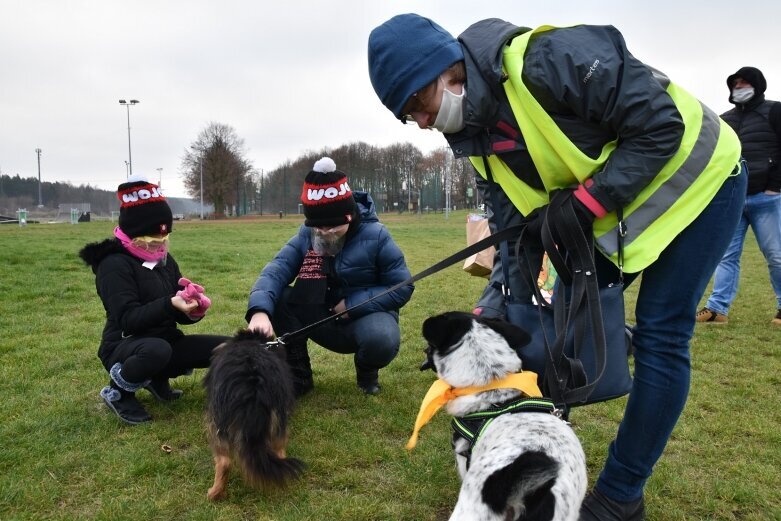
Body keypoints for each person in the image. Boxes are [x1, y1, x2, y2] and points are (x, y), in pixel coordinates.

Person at [368, 15, 746, 520]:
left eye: (418, 105)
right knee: (539, 313)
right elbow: (515, 238)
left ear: (446, 72)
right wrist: (498, 303)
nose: (419, 122)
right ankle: (535, 453)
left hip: (702, 183)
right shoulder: (476, 139)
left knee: (663, 334)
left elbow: (659, 127)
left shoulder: (548, 59)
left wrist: (586, 203)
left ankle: (620, 495)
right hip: (621, 215)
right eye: (405, 116)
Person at [246, 157, 414, 396]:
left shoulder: (377, 236)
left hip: (363, 316)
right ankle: (298, 375)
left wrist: (352, 305)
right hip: (318, 314)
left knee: (382, 339)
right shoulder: (307, 234)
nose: (324, 233)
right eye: (318, 227)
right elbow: (277, 269)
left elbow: (402, 285)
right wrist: (259, 311)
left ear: (348, 216)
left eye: (332, 226)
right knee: (281, 297)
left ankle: (367, 371)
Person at [79, 175, 227, 425]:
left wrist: (192, 308)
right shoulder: (113, 265)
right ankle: (119, 392)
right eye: (151, 241)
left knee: (230, 348)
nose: (158, 246)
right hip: (124, 347)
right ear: (131, 234)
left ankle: (157, 380)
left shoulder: (164, 259)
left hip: (165, 341)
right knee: (157, 350)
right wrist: (170, 303)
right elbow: (128, 320)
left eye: (165, 238)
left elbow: (176, 309)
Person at [696, 66, 781, 326]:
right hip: (733, 198)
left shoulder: (775, 111)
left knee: (776, 254)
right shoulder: (724, 119)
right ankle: (717, 309)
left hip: (767, 198)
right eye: (736, 83)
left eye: (745, 82)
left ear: (758, 84)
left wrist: (775, 186)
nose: (740, 87)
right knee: (726, 255)